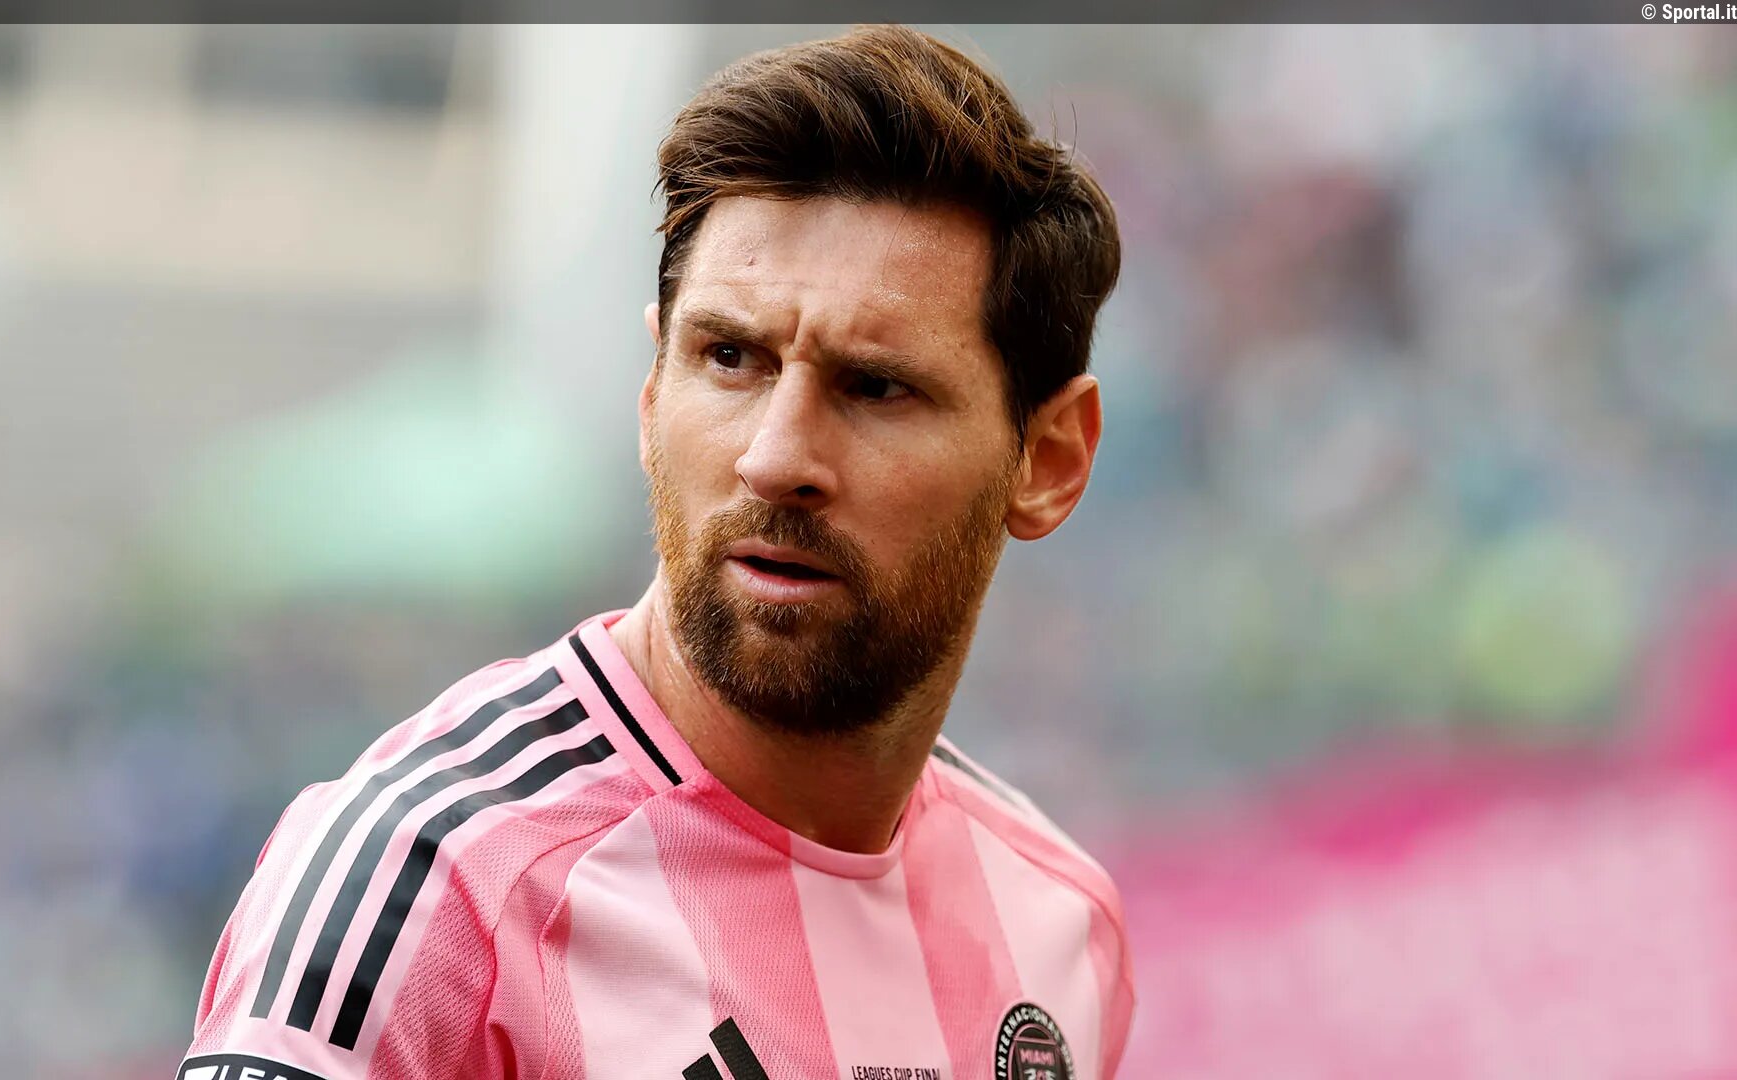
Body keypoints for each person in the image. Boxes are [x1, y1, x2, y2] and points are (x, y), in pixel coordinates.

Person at [179, 24, 1130, 1080]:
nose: (775, 458)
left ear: (1049, 460)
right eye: (729, 358)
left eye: (876, 387)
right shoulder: (424, 892)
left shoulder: (1060, 929)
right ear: (649, 395)